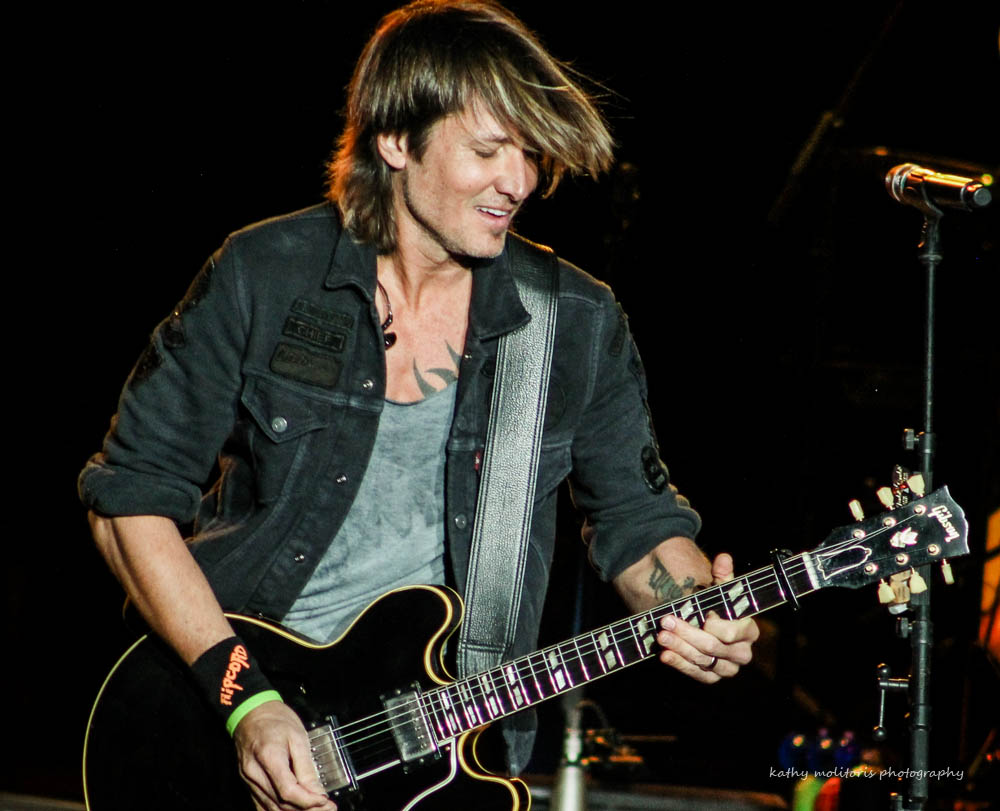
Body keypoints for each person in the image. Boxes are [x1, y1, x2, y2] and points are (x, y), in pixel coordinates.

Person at [79, 2, 758, 809]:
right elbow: (129, 502)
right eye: (488, 149)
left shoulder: (573, 322)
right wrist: (247, 701)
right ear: (396, 140)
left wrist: (695, 611)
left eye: (529, 152)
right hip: (221, 724)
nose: (519, 181)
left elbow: (640, 526)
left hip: (450, 751)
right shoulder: (265, 272)